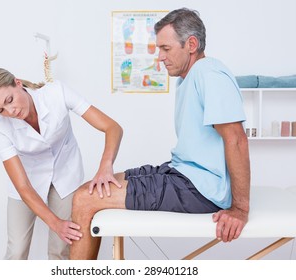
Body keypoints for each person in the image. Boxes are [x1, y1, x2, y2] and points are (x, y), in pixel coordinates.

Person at [69, 7, 250, 260]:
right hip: (182, 173)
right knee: (95, 186)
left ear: (191, 44)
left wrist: (240, 208)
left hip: (199, 188)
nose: (160, 58)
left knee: (85, 199)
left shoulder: (210, 74)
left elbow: (237, 139)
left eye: (166, 49)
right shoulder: (188, 78)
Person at [0, 68, 123, 259]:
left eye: (9, 100)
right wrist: (55, 223)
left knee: (61, 248)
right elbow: (23, 186)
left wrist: (105, 166)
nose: (10, 111)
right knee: (17, 250)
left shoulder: (56, 93)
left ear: (18, 83)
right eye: (0, 110)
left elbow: (112, 127)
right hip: (28, 183)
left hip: (65, 174)